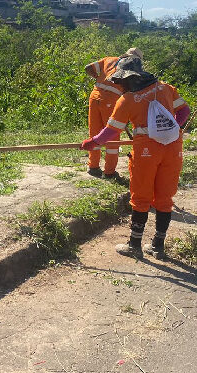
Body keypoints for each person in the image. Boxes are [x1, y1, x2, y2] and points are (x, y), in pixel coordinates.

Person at [81, 56, 190, 259]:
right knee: (165, 198)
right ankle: (158, 245)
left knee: (141, 197)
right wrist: (172, 128)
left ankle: (134, 244)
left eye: (120, 80)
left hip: (146, 152)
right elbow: (184, 111)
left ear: (130, 78)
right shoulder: (166, 88)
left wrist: (92, 143)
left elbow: (111, 131)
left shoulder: (127, 100)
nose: (117, 84)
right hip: (174, 148)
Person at [84, 47, 143, 180]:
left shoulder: (108, 59)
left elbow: (88, 67)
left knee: (94, 132)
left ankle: (93, 167)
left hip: (94, 96)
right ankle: (109, 172)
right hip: (111, 100)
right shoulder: (131, 68)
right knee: (113, 135)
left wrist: (101, 78)